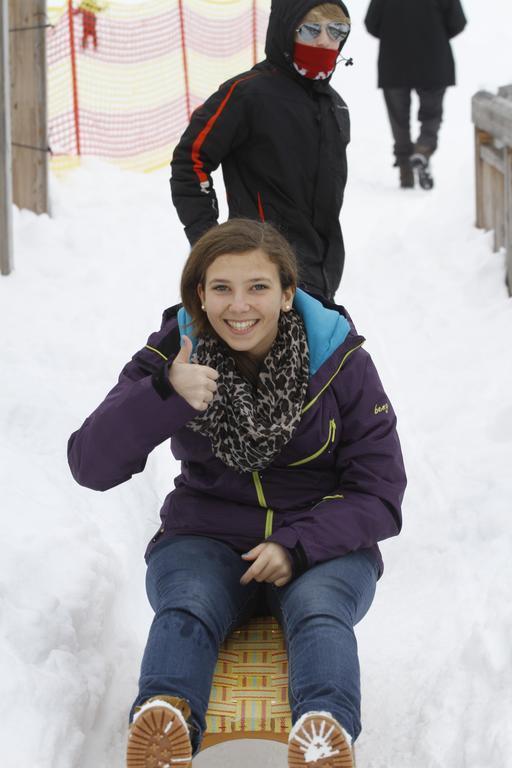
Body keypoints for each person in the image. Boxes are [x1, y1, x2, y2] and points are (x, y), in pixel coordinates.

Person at [68, 219, 407, 768]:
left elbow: (380, 489)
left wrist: (295, 545)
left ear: (288, 293)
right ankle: (165, 721)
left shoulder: (341, 363)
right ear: (199, 294)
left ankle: (324, 734)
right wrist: (165, 394)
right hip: (205, 533)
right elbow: (90, 463)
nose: (239, 306)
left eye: (258, 287)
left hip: (318, 542)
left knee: (319, 609)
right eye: (221, 288)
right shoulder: (176, 351)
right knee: (190, 602)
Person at [170, 1, 353, 302]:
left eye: (336, 30)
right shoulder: (248, 94)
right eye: (310, 29)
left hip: (320, 278)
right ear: (286, 30)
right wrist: (206, 239)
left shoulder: (336, 106)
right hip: (258, 270)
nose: (324, 40)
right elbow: (190, 161)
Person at [364, 0, 467, 189]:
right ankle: (423, 149)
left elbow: (371, 24)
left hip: (394, 61)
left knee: (398, 119)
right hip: (434, 60)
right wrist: (435, 33)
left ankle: (405, 169)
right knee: (432, 113)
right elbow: (458, 23)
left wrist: (393, 34)